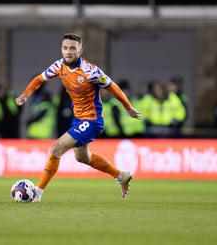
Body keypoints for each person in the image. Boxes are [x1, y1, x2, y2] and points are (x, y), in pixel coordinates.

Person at [15, 33, 142, 202]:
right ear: (61, 49)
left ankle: (37, 193)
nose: (68, 52)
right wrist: (25, 94)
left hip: (92, 119)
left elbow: (114, 88)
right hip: (78, 118)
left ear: (80, 50)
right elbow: (39, 79)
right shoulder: (59, 66)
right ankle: (121, 175)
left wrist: (128, 108)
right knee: (82, 157)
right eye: (65, 48)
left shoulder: (91, 72)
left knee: (56, 149)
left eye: (72, 48)